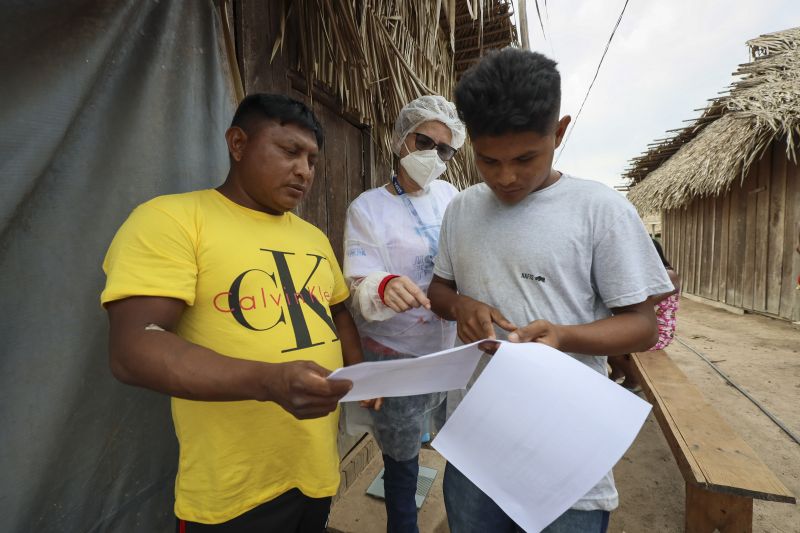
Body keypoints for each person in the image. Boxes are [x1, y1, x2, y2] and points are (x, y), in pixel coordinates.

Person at [427, 48, 675, 533]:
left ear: (558, 133)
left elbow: (644, 326)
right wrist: (461, 305)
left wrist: (564, 336)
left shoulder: (600, 210)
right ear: (471, 142)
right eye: (488, 160)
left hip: (568, 455)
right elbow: (438, 291)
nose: (506, 177)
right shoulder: (461, 210)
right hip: (476, 445)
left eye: (525, 158)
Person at [101, 94, 366, 532]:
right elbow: (134, 348)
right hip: (233, 490)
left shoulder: (313, 237)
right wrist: (270, 380)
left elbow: (336, 311)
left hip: (316, 468)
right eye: (290, 151)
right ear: (238, 143)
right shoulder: (174, 220)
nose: (304, 170)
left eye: (312, 160)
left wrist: (361, 377)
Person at [342, 95, 465, 533]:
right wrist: (383, 284)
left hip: (446, 348)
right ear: (400, 141)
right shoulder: (368, 208)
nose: (432, 154)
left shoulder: (452, 198)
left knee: (454, 442)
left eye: (444, 149)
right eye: (424, 141)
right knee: (401, 461)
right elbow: (357, 278)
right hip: (394, 352)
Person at [610, 238, 681, 391]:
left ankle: (633, 381)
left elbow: (646, 303)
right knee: (604, 342)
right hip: (643, 325)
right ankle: (617, 373)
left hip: (658, 332)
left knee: (613, 349)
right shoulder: (648, 274)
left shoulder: (669, 275)